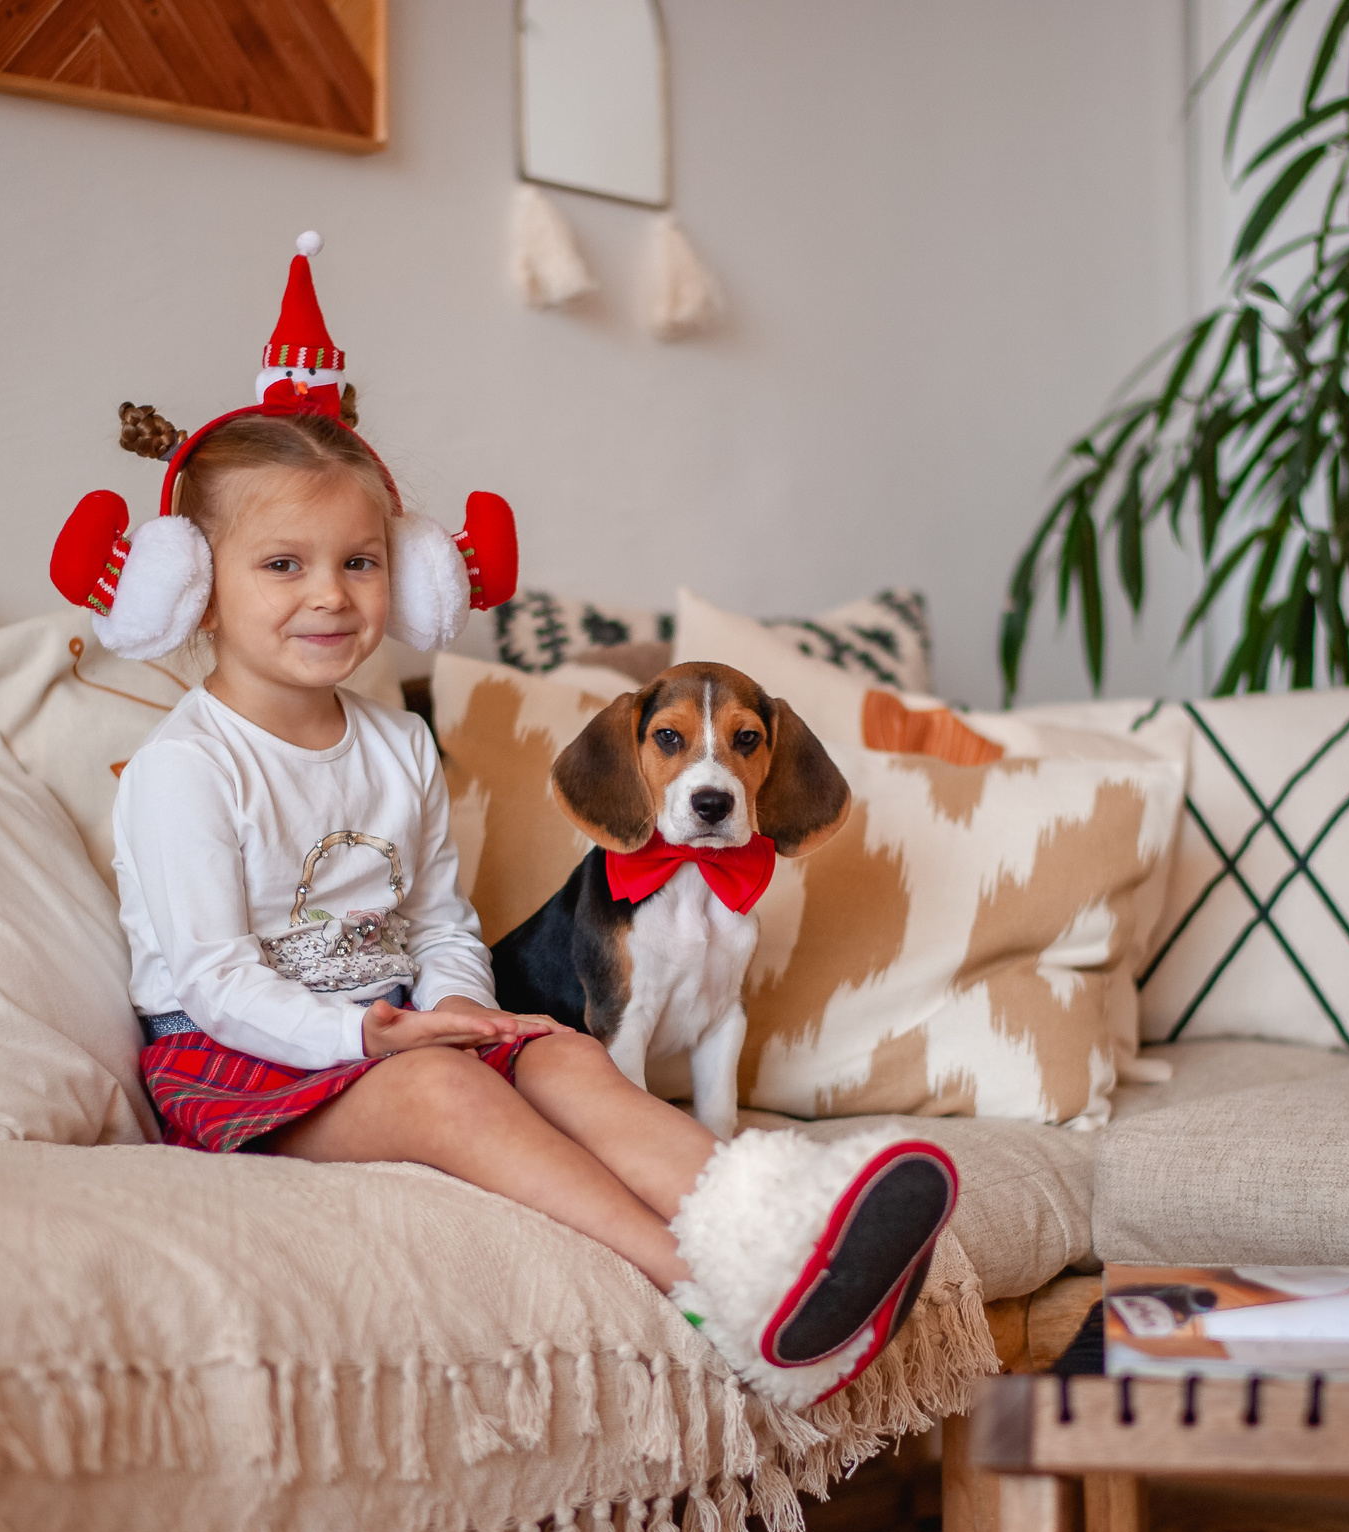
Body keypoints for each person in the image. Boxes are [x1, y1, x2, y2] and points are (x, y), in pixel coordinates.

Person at [50, 231, 954, 1409]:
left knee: (563, 1052)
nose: (330, 594)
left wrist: (459, 1003)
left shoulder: (396, 745)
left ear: (407, 576)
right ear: (193, 586)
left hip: (403, 1027)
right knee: (446, 1093)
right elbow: (215, 978)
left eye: (362, 561)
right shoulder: (188, 769)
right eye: (282, 563)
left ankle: (796, 1224)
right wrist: (376, 1040)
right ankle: (709, 1294)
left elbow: (436, 917)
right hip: (246, 1060)